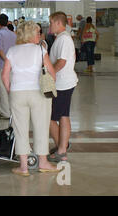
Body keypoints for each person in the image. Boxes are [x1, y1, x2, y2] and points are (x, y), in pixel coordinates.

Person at [1, 21, 58, 176]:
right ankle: (43, 162)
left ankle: (24, 167)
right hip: (38, 93)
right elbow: (52, 73)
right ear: (31, 35)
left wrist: (10, 91)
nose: (39, 35)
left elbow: (5, 76)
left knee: (20, 130)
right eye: (38, 32)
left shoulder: (12, 50)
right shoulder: (40, 50)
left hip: (17, 93)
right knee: (41, 127)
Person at [48, 12, 78, 163]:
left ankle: (62, 148)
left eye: (51, 22)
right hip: (62, 82)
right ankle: (62, 148)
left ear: (58, 23)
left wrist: (48, 73)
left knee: (50, 118)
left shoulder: (64, 39)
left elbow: (62, 62)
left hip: (62, 84)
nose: (49, 25)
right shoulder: (61, 38)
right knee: (63, 115)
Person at [0, 13, 17, 119]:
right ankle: (12, 111)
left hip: (1, 66)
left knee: (1, 89)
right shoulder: (14, 34)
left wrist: (6, 60)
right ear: (8, 22)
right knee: (11, 88)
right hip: (13, 66)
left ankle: (5, 112)